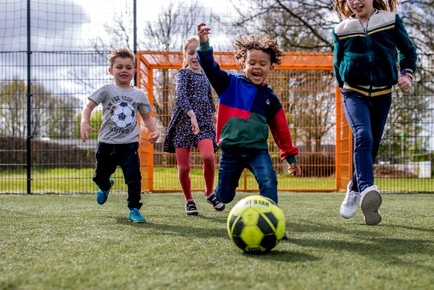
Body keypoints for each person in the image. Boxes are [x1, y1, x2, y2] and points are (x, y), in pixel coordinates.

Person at [333, 0, 417, 225]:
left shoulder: (391, 21)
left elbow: (408, 51)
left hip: (382, 95)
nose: (355, 2)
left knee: (371, 146)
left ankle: (354, 189)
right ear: (345, 0)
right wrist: (343, 84)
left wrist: (406, 75)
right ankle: (368, 188)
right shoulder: (342, 29)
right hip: (353, 92)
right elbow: (337, 64)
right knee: (363, 135)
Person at [196, 23, 302, 206]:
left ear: (270, 67)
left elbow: (281, 130)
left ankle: (271, 219)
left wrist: (290, 156)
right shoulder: (229, 84)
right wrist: (204, 45)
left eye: (263, 63)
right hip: (231, 152)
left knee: (269, 180)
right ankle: (218, 194)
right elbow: (210, 68)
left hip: (257, 151)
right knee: (225, 196)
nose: (257, 67)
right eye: (252, 63)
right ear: (243, 65)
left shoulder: (271, 99)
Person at [80, 48, 159, 223]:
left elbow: (146, 116)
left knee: (133, 177)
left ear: (134, 71)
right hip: (106, 144)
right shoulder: (106, 89)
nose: (124, 70)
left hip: (129, 144)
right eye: (119, 67)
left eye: (128, 67)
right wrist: (84, 121)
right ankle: (105, 185)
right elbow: (89, 106)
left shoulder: (138, 94)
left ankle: (134, 208)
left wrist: (155, 130)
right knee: (100, 176)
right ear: (111, 70)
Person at [163, 36, 224, 216]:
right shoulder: (183, 74)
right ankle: (189, 200)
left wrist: (214, 114)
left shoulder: (206, 76)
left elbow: (208, 97)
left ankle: (209, 191)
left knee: (208, 157)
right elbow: (181, 97)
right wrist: (191, 116)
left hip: (204, 123)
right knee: (184, 168)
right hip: (184, 123)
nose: (195, 56)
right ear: (185, 55)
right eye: (191, 53)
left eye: (198, 53)